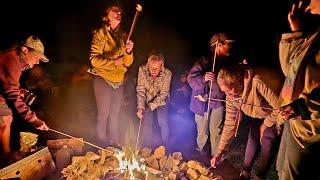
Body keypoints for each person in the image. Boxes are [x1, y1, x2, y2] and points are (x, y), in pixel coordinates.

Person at [210, 66, 282, 179]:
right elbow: (230, 123)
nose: (227, 94)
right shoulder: (230, 97)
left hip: (276, 112)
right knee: (253, 137)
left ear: (238, 81)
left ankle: (261, 175)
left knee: (267, 139)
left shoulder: (257, 82)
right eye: (224, 91)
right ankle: (245, 172)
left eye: (229, 90)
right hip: (259, 113)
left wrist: (266, 124)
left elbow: (280, 108)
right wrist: (220, 152)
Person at [276, 0, 320, 179]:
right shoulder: (316, 35)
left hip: (308, 126)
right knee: (280, 168)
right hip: (294, 119)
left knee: (289, 176)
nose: (307, 2)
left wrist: (300, 108)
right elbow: (290, 71)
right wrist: (295, 32)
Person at [88, 3, 134, 147]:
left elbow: (127, 63)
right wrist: (114, 61)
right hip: (103, 79)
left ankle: (114, 141)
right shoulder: (100, 33)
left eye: (120, 11)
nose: (118, 12)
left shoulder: (124, 35)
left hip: (118, 81)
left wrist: (129, 52)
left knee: (115, 114)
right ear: (106, 15)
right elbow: (94, 60)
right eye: (114, 11)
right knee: (103, 114)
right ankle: (101, 143)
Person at [187, 32, 239, 157]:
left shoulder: (227, 63)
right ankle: (200, 152)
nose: (230, 47)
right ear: (218, 45)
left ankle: (216, 157)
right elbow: (191, 79)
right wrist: (203, 77)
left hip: (218, 102)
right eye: (228, 44)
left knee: (216, 130)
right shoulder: (204, 60)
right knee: (202, 131)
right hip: (202, 102)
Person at [0, 35, 50, 154]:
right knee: (4, 119)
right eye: (37, 57)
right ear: (25, 50)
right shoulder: (12, 60)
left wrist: (20, 91)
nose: (37, 62)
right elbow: (12, 94)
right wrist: (33, 119)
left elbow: (5, 83)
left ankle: (6, 156)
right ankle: (5, 158)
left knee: (6, 118)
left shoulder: (14, 59)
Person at [136, 53, 172, 148]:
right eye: (151, 67)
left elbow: (163, 94)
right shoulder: (142, 70)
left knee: (163, 121)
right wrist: (141, 107)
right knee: (146, 123)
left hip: (162, 100)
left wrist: (150, 107)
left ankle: (166, 146)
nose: (153, 71)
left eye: (156, 68)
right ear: (148, 65)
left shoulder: (167, 74)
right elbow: (141, 90)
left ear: (161, 65)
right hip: (148, 99)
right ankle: (146, 148)